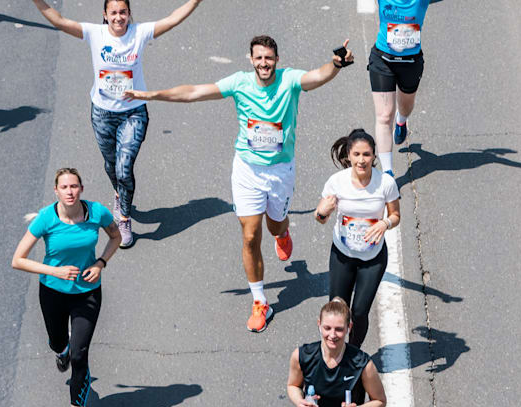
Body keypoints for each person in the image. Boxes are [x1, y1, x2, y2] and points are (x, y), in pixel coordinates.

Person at [125, 36, 354, 332]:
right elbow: (194, 92)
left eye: (268, 58)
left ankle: (281, 234)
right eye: (258, 58)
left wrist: (336, 65)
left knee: (275, 225)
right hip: (247, 170)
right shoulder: (239, 83)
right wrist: (151, 95)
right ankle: (260, 301)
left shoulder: (289, 80)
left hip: (280, 170)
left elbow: (317, 76)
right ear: (251, 59)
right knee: (249, 235)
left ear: (277, 59)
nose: (264, 63)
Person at [27, 0, 205, 247]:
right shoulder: (95, 33)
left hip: (133, 113)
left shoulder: (139, 33)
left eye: (123, 12)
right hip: (102, 113)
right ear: (105, 14)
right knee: (111, 166)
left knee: (124, 168)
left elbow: (173, 18)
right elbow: (58, 20)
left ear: (129, 14)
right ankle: (120, 194)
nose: (118, 17)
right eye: (113, 13)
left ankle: (124, 219)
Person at [12, 168, 121, 407]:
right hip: (53, 292)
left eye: (74, 186)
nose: (70, 191)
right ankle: (61, 351)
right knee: (58, 342)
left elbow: (116, 237)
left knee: (80, 355)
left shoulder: (97, 213)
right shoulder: (46, 219)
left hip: (87, 293)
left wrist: (101, 263)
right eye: (64, 187)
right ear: (56, 191)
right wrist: (54, 271)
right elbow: (18, 260)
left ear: (81, 188)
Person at [314, 130, 400, 347]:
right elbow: (320, 217)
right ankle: (336, 351)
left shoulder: (385, 183)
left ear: (374, 156)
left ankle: (352, 353)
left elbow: (396, 215)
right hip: (342, 256)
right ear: (348, 156)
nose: (362, 160)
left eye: (367, 155)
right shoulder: (337, 182)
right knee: (337, 309)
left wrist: (385, 223)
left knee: (359, 312)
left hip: (373, 258)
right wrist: (322, 212)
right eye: (357, 154)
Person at [368, 0, 431, 176]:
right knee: (384, 115)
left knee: (406, 106)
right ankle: (388, 173)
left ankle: (401, 120)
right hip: (382, 60)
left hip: (411, 63)